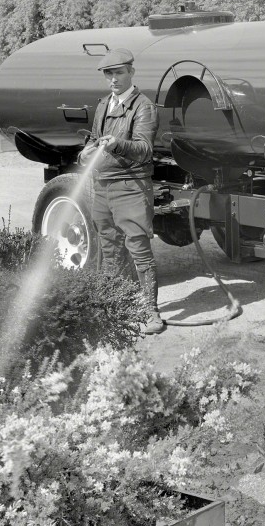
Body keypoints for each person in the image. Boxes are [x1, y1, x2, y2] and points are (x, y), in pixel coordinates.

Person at [79, 47, 163, 334]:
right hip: (102, 185)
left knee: (139, 247)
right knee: (109, 247)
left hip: (131, 185)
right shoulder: (104, 104)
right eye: (108, 74)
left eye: (118, 73)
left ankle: (151, 312)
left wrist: (116, 143)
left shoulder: (144, 107)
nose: (113, 79)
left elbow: (144, 150)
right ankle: (110, 306)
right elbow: (92, 140)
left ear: (131, 72)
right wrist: (84, 155)